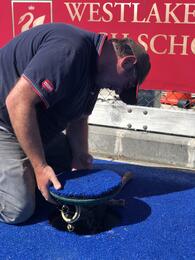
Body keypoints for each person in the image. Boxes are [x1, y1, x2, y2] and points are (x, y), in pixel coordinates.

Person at [0, 23, 151, 224]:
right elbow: (17, 102)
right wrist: (39, 166)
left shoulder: (97, 73)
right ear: (127, 63)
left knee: (71, 169)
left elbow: (79, 117)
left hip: (29, 126)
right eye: (127, 85)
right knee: (18, 209)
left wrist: (80, 155)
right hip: (6, 124)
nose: (118, 91)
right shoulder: (69, 49)